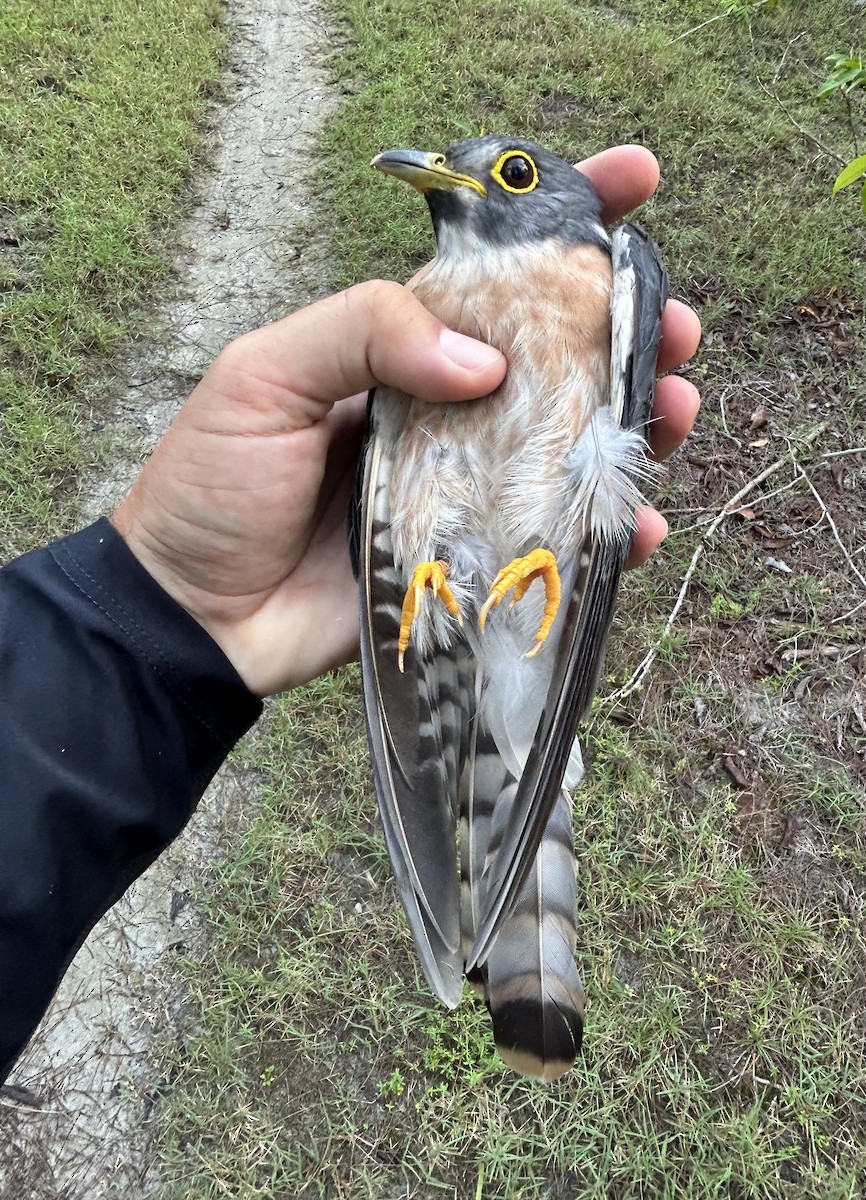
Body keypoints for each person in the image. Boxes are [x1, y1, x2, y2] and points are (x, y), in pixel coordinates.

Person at [0, 146, 701, 1083]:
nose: (467, 180)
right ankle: (509, 911)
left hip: (542, 578)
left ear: (564, 205)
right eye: (465, 171)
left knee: (523, 743)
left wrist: (146, 614)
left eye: (515, 175)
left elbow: (607, 465)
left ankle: (514, 864)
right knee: (485, 730)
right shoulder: (419, 303)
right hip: (452, 577)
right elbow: (390, 471)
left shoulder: (609, 268)